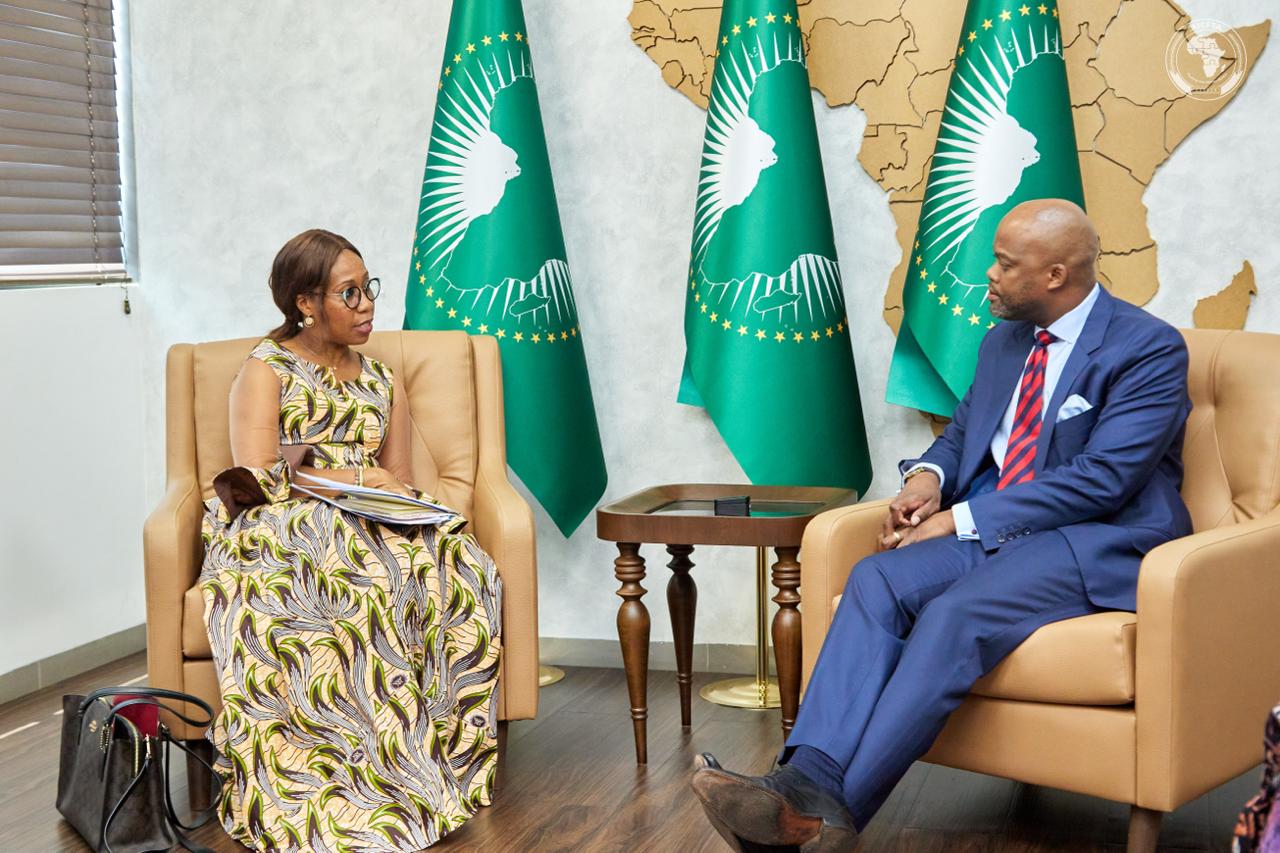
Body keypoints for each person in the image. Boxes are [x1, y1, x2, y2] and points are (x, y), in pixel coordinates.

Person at [691, 199, 1194, 853]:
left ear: (1055, 275)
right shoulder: (1005, 340)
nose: (989, 274)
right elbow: (965, 434)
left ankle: (815, 822)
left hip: (1093, 538)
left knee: (954, 614)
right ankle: (804, 779)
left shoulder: (1148, 347)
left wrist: (962, 518)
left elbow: (1104, 479)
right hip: (1001, 529)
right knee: (875, 579)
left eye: (1005, 264)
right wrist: (927, 478)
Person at [199, 229, 502, 852]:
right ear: (306, 303)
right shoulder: (265, 369)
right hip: (283, 519)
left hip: (370, 518)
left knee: (465, 569)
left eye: (369, 289)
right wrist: (350, 479)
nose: (367, 306)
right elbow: (257, 476)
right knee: (346, 584)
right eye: (350, 293)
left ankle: (426, 771)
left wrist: (394, 498)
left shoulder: (384, 379)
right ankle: (330, 791)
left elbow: (400, 478)